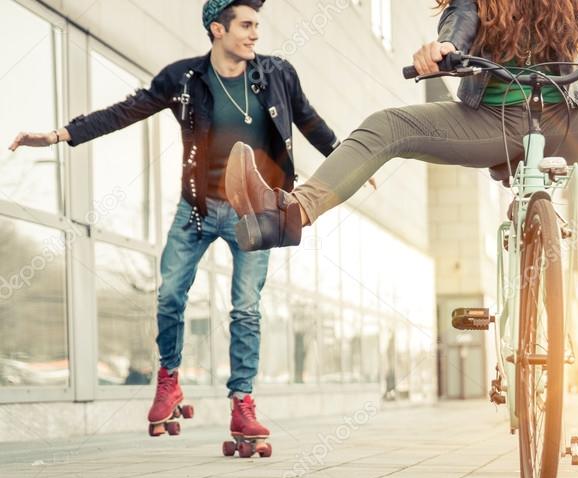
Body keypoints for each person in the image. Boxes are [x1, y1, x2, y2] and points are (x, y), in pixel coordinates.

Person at [223, 0, 578, 282]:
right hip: (490, 122)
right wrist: (442, 49)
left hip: (566, 115)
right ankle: (288, 215)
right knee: (388, 124)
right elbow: (461, 16)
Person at [8, 0, 343, 452]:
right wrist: (58, 136)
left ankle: (242, 402)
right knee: (169, 295)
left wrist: (347, 161)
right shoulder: (183, 79)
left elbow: (308, 119)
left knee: (245, 308)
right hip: (198, 210)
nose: (254, 34)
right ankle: (169, 381)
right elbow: (124, 111)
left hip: (256, 213)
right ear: (217, 29)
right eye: (246, 25)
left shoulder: (277, 73)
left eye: (257, 25)